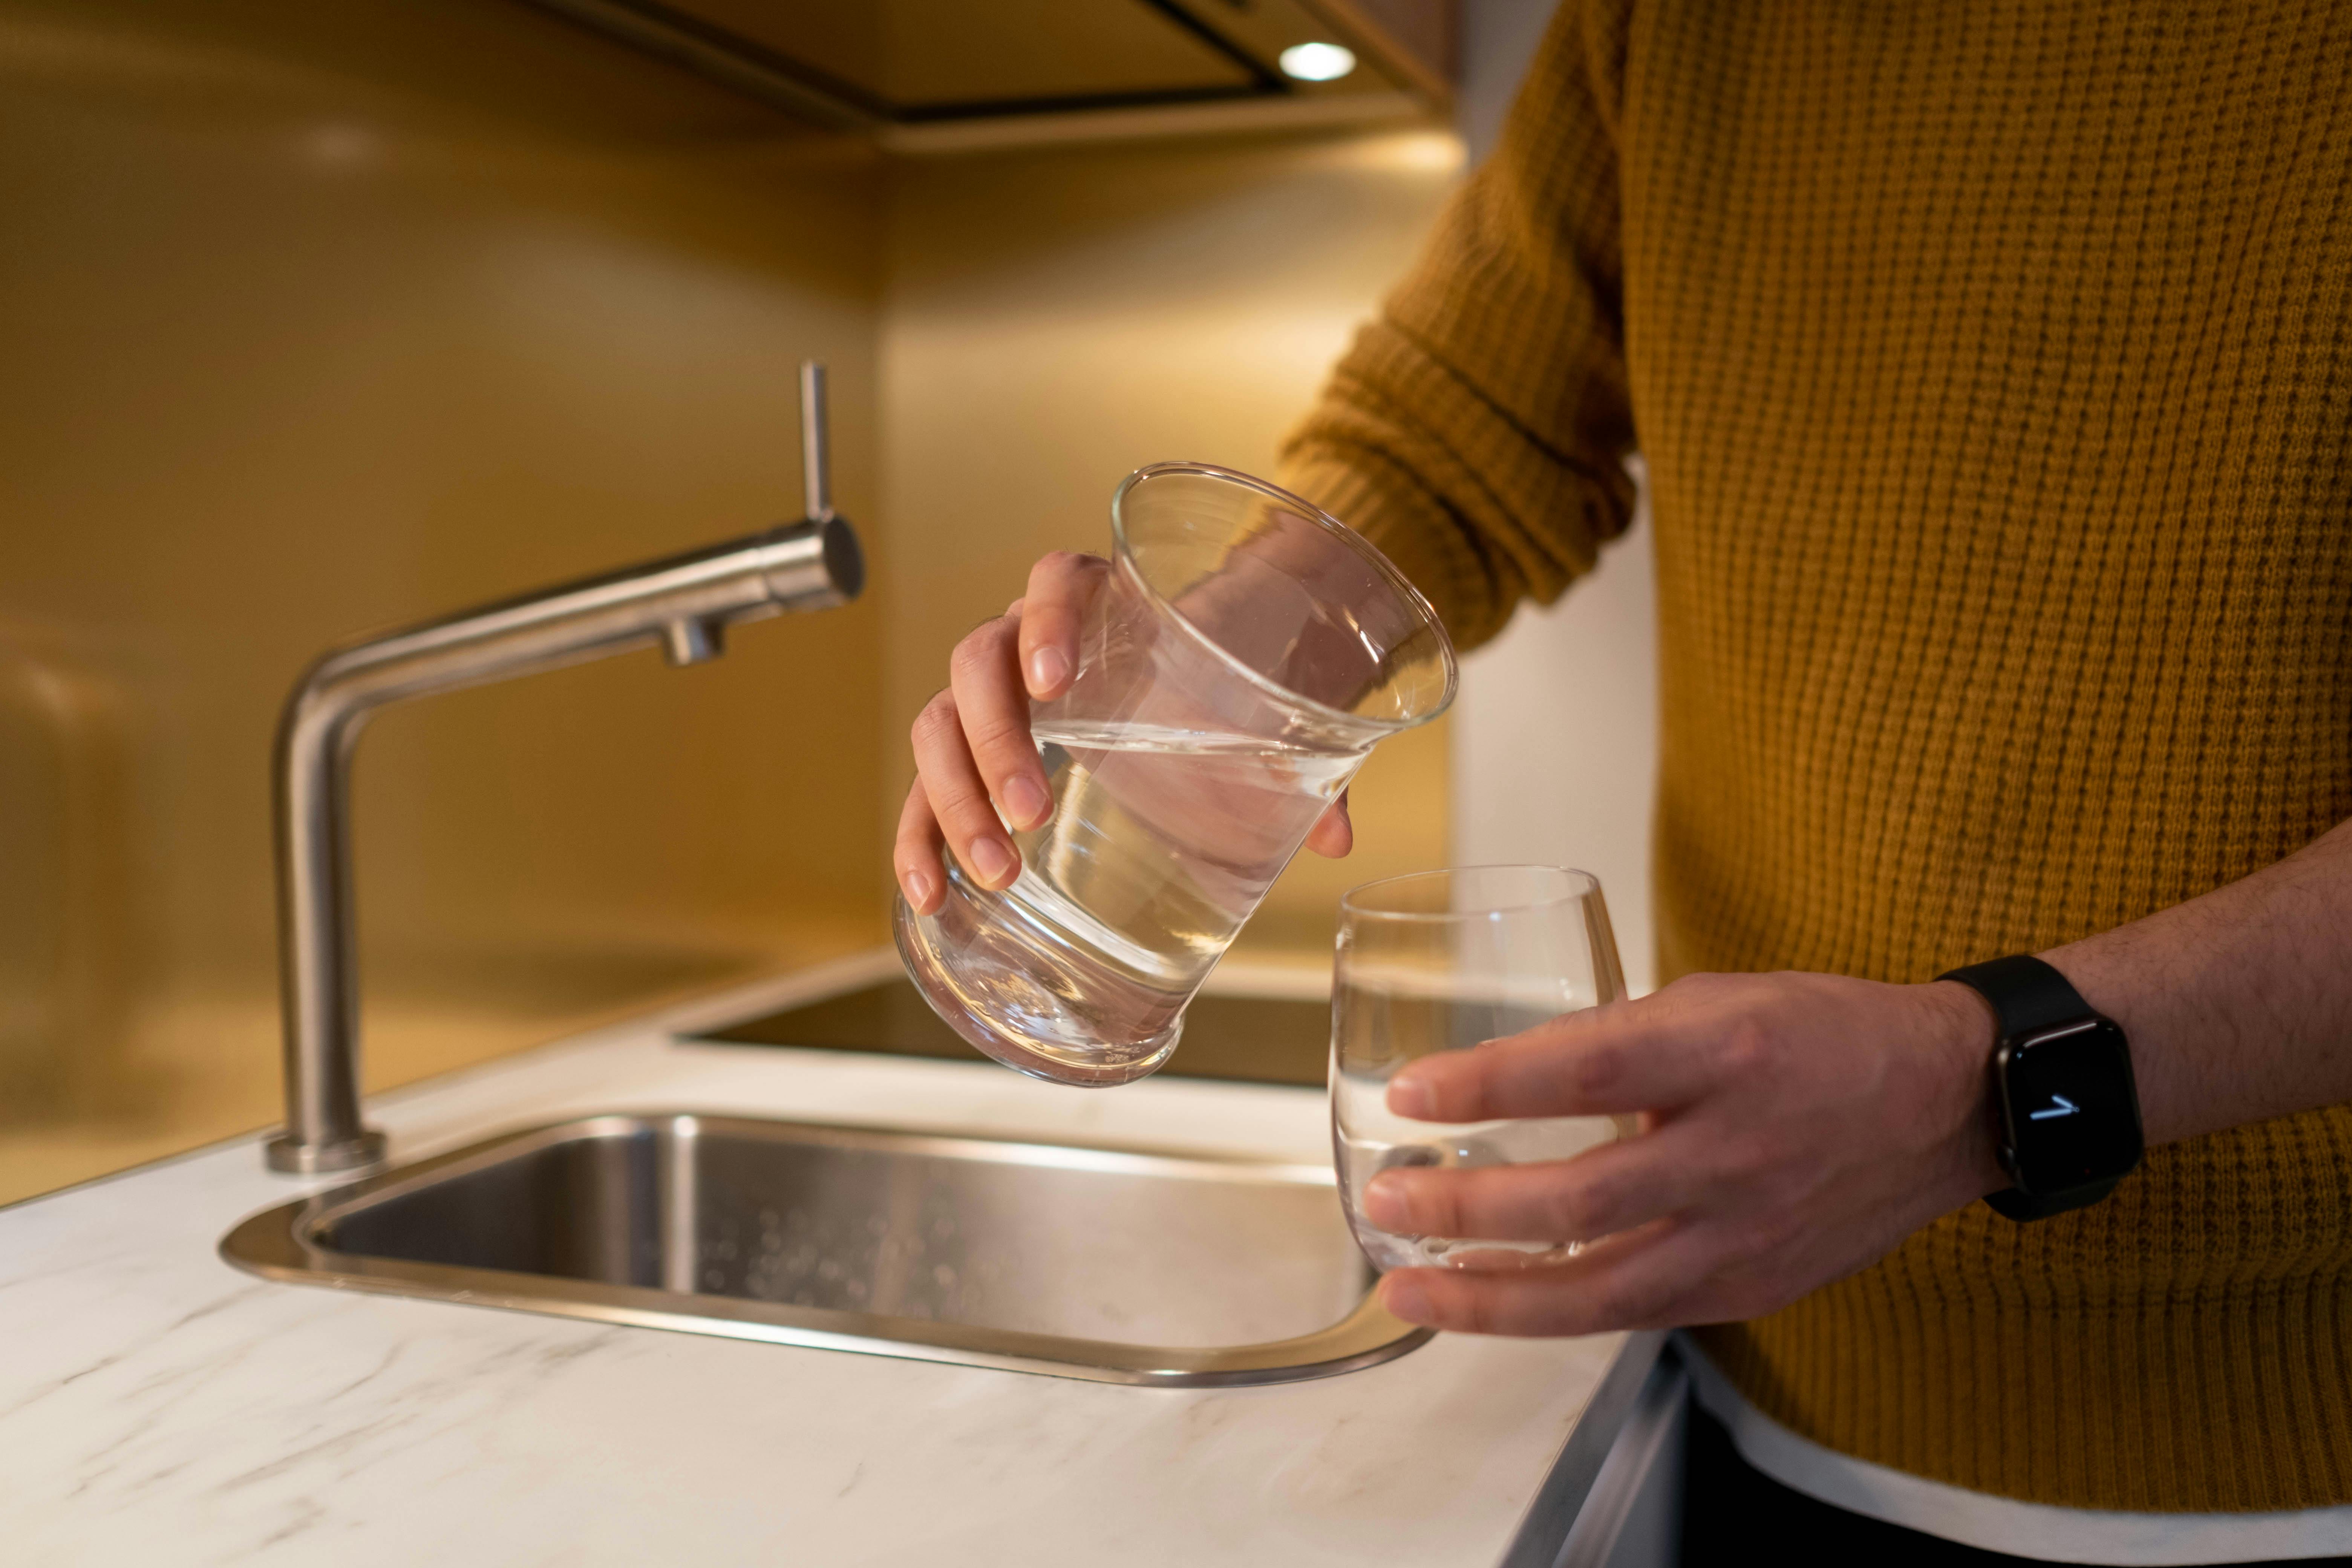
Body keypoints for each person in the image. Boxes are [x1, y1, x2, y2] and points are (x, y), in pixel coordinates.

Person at [896, 2, 2352, 1561]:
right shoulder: (1677, 23)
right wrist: (1221, 662)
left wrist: (1981, 1086)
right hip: (1758, 1367)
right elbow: (1457, 438)